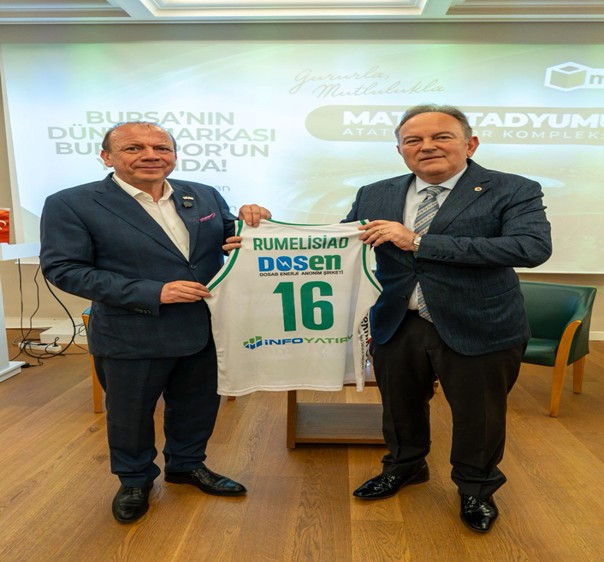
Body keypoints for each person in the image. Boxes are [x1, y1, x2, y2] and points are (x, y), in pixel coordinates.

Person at [40, 121, 271, 523]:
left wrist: (256, 223)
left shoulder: (202, 194)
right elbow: (65, 269)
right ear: (107, 157)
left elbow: (231, 238)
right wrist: (154, 292)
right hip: (131, 332)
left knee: (197, 405)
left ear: (174, 155)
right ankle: (134, 480)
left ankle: (187, 465)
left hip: (203, 328)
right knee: (130, 415)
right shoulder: (72, 203)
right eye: (134, 148)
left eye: (161, 148)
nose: (151, 155)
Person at [344, 104, 552, 533]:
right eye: (413, 140)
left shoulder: (513, 188)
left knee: (479, 415)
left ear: (469, 144)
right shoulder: (374, 193)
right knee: (399, 406)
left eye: (441, 137)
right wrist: (263, 236)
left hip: (480, 322)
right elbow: (343, 243)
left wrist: (419, 241)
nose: (427, 146)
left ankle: (476, 488)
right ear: (400, 150)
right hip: (397, 321)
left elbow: (530, 248)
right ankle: (404, 466)